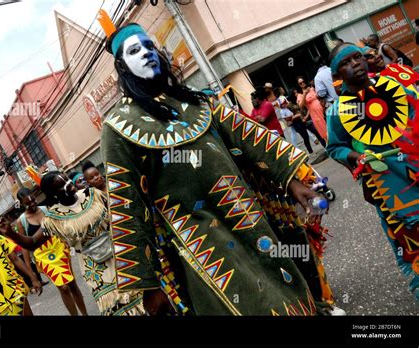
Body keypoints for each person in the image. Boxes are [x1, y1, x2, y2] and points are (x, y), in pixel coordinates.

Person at [97, 23, 342, 315]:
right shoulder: (118, 127)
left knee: (289, 291)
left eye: (149, 47)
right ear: (122, 66)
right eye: (135, 50)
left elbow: (251, 138)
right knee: (252, 304)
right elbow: (126, 206)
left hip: (247, 216)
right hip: (198, 239)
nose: (147, 54)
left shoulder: (199, 103)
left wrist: (293, 180)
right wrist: (149, 286)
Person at [326, 42, 419, 300]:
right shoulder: (338, 111)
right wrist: (354, 155)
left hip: (415, 166)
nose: (355, 64)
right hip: (387, 184)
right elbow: (335, 147)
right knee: (410, 240)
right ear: (337, 75)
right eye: (346, 63)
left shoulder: (391, 87)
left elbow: (415, 112)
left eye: (358, 57)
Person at [0, 172, 146, 316]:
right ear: (53, 193)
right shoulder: (54, 218)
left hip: (119, 254)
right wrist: (11, 233)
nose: (68, 184)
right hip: (94, 267)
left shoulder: (92, 195)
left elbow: (119, 212)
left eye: (67, 179)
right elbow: (33, 242)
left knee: (142, 297)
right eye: (61, 185)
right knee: (115, 305)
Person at [15, 188, 88, 316]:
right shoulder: (21, 221)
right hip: (43, 256)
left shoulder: (45, 209)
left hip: (59, 248)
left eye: (33, 200)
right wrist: (31, 272)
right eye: (28, 203)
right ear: (21, 204)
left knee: (72, 284)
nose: (32, 204)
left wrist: (68, 243)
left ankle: (85, 314)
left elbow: (58, 227)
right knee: (63, 287)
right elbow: (24, 247)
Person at [297, 76, 328, 141]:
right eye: (300, 83)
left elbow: (320, 96)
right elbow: (301, 106)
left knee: (331, 129)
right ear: (299, 85)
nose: (302, 83)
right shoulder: (300, 95)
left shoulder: (312, 88)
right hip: (316, 115)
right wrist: (305, 94)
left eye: (303, 81)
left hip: (324, 110)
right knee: (325, 133)